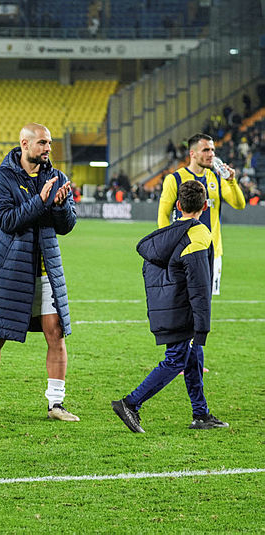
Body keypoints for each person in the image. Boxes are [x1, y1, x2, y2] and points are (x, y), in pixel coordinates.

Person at [0, 123, 79, 422]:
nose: (48, 149)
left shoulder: (56, 176)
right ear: (25, 144)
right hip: (11, 269)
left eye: (50, 144)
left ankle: (56, 405)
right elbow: (8, 221)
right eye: (43, 143)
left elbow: (67, 225)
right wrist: (41, 200)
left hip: (48, 269)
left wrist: (59, 206)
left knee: (56, 332)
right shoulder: (0, 179)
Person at [112, 180, 229, 432]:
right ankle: (131, 403)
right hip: (182, 310)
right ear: (205, 206)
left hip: (165, 307)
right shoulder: (199, 235)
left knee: (193, 356)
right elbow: (200, 287)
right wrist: (202, 327)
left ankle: (201, 414)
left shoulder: (165, 235)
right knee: (176, 359)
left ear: (178, 205)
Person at [157, 133, 245, 296]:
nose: (211, 154)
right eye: (206, 150)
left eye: (212, 150)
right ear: (193, 153)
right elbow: (163, 214)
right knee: (181, 301)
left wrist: (231, 181)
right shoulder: (175, 179)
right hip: (183, 252)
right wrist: (167, 246)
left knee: (204, 303)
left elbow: (239, 204)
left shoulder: (217, 179)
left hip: (212, 253)